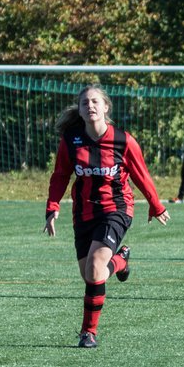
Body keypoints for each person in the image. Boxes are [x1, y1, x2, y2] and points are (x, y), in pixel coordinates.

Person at [44, 86, 170, 347]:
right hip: (83, 213)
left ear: (105, 108)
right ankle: (121, 261)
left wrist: (155, 205)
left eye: (94, 102)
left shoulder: (123, 140)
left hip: (117, 209)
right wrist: (52, 207)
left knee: (94, 268)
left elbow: (141, 174)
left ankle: (88, 333)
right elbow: (60, 175)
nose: (89, 106)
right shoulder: (71, 140)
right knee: (91, 275)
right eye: (84, 103)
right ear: (79, 110)